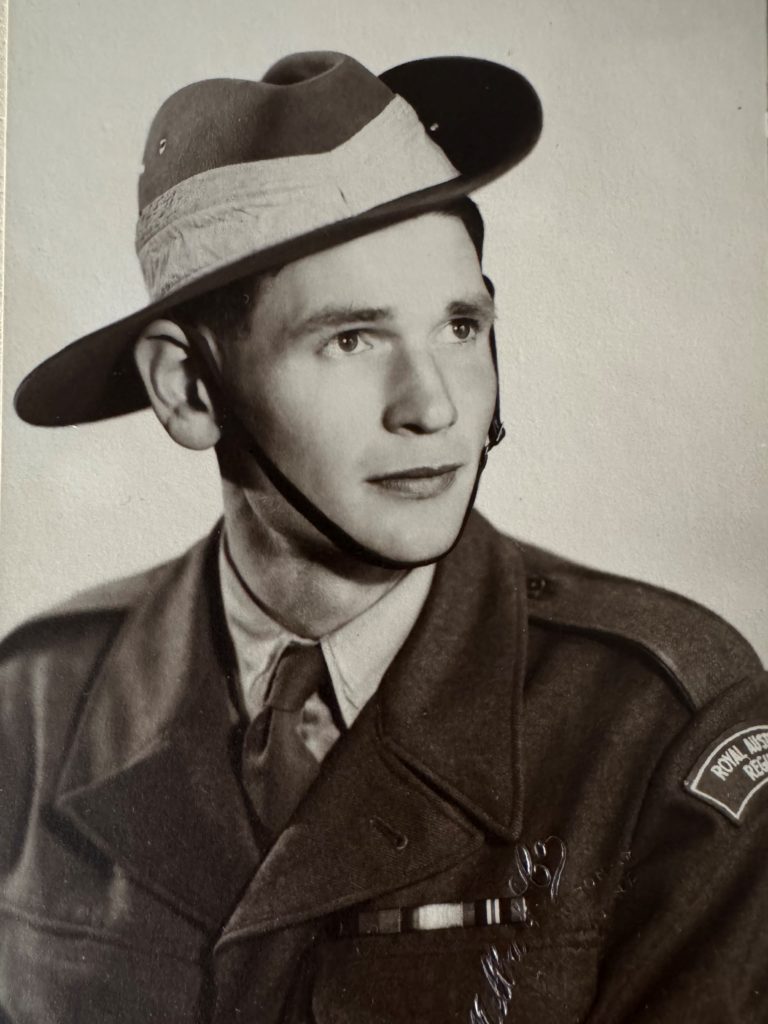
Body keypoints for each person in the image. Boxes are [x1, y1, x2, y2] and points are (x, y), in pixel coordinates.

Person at [0, 50, 765, 1024]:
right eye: (352, 338)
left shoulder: (660, 723)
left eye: (459, 325)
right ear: (189, 391)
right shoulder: (32, 701)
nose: (434, 405)